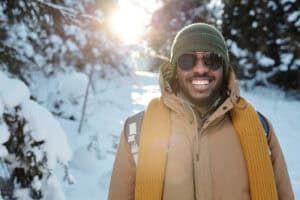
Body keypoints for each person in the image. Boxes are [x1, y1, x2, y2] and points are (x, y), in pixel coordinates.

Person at [108, 23, 294, 200]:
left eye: (211, 60)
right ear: (174, 70)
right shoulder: (137, 130)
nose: (200, 68)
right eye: (187, 60)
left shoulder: (260, 128)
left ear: (225, 67)